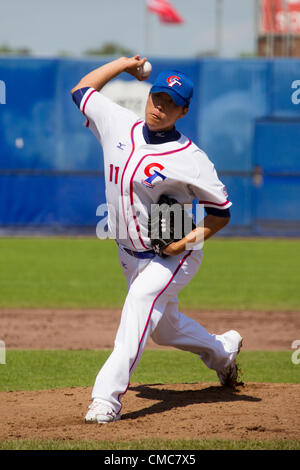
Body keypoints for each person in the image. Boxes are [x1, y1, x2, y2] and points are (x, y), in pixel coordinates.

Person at [71, 55, 243, 424]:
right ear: (149, 96)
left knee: (139, 304)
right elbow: (81, 90)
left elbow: (221, 213)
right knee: (165, 329)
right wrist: (121, 63)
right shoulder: (118, 123)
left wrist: (185, 244)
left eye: (171, 104)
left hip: (172, 251)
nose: (161, 108)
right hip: (129, 253)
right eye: (158, 98)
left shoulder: (192, 159)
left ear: (183, 111)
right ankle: (223, 351)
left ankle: (106, 399)